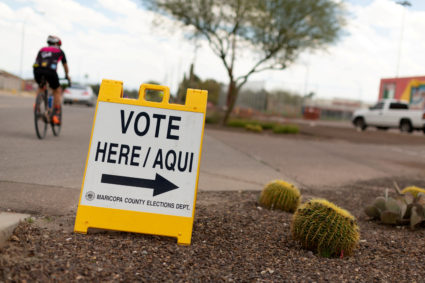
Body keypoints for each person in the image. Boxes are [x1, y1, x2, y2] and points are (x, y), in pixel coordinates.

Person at [33, 35, 70, 124]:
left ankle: (36, 105)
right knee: (57, 90)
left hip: (37, 70)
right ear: (57, 43)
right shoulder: (60, 51)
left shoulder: (42, 49)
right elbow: (65, 66)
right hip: (50, 71)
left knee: (41, 86)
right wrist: (67, 75)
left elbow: (37, 60)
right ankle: (56, 115)